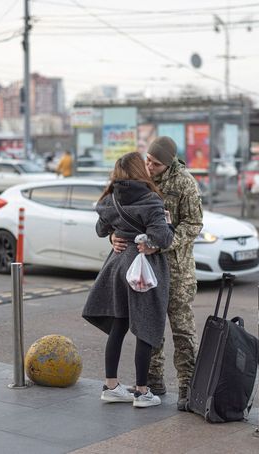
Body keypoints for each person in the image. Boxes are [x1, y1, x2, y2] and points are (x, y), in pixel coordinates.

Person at [112, 136, 204, 411]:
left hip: (177, 270)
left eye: (156, 163)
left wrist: (163, 243)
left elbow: (194, 224)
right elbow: (122, 215)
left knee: (183, 331)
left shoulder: (185, 182)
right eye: (148, 160)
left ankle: (188, 388)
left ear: (169, 163)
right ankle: (151, 382)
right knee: (150, 327)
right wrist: (113, 237)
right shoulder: (141, 178)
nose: (149, 166)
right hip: (148, 268)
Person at [82, 151, 174, 408]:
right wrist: (162, 230)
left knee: (119, 326)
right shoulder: (150, 200)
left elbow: (101, 229)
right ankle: (142, 392)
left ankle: (111, 386)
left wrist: (114, 233)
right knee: (145, 327)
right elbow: (163, 238)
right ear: (139, 171)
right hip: (141, 270)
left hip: (117, 265)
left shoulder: (110, 198)